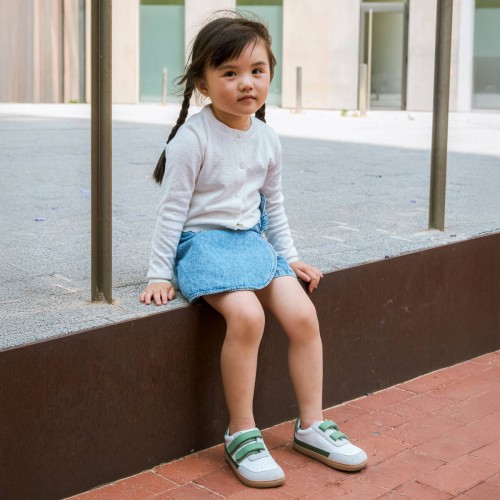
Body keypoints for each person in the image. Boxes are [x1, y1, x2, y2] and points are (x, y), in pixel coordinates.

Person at [140, 12, 367, 488]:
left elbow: (274, 204)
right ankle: (241, 431)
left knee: (303, 316)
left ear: (270, 74)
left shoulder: (267, 138)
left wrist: (290, 255)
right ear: (202, 83)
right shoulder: (192, 139)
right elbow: (171, 210)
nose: (247, 83)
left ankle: (311, 425)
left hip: (252, 244)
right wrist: (159, 273)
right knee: (247, 316)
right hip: (203, 245)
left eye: (257, 70)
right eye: (230, 72)